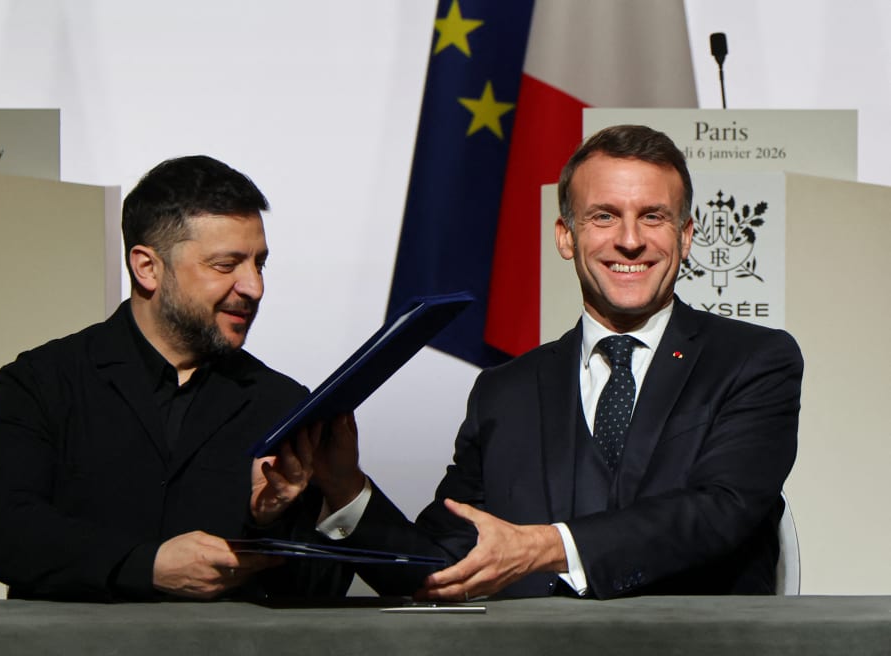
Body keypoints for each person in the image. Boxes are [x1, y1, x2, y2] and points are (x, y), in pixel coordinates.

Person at [312, 124, 802, 600]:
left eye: (653, 217)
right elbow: (443, 565)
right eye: (604, 216)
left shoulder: (753, 361)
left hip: (698, 642)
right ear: (566, 237)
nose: (630, 240)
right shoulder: (504, 392)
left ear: (687, 235)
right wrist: (346, 489)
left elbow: (722, 511)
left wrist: (547, 547)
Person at [0, 155, 351, 602]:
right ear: (147, 268)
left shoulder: (281, 403)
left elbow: (319, 590)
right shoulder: (43, 381)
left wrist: (270, 520)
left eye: (259, 264)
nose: (254, 287)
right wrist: (146, 565)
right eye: (226, 265)